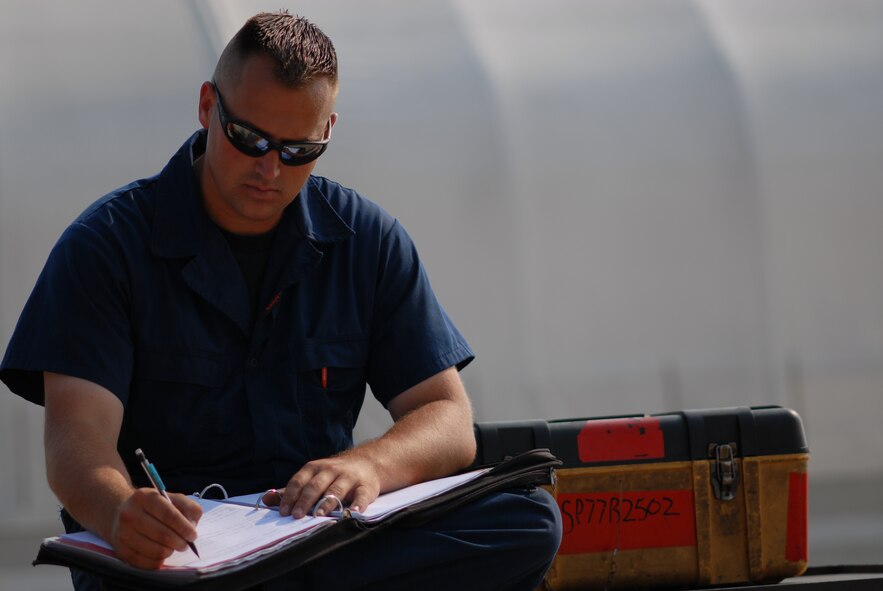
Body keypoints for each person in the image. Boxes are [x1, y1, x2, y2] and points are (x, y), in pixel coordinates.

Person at [0, 10, 561, 591]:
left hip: (316, 544)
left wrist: (367, 465)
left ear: (328, 132)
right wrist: (120, 512)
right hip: (173, 559)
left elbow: (448, 419)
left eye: (298, 151)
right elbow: (76, 439)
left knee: (527, 522)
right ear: (206, 107)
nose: (269, 169)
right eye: (250, 139)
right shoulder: (106, 246)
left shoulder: (365, 241)